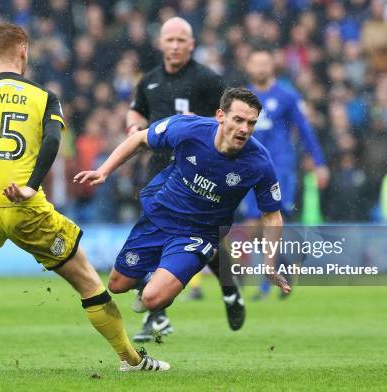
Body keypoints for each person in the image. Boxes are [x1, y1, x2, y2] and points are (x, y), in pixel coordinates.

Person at [0, 23, 168, 373]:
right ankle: (131, 360)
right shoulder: (44, 96)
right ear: (24, 52)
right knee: (87, 280)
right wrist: (30, 184)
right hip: (25, 207)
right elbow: (53, 141)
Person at [75, 87, 291, 329]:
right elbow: (139, 139)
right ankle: (166, 278)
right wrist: (103, 171)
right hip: (160, 215)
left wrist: (270, 265)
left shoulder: (259, 162)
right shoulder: (189, 129)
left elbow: (272, 216)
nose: (244, 129)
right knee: (117, 284)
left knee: (151, 299)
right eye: (238, 120)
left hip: (199, 233)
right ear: (221, 115)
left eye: (251, 123)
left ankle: (187, 270)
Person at [125, 16, 244, 342]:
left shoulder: (207, 80)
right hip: (161, 169)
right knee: (151, 236)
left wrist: (201, 122)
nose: (175, 46)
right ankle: (157, 316)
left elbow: (232, 118)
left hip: (201, 170)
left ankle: (229, 289)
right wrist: (134, 125)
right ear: (160, 43)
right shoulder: (148, 81)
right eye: (170, 40)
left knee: (206, 239)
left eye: (181, 41)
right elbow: (137, 111)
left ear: (191, 45)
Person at [240, 47, 329, 299]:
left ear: (272, 66)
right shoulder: (242, 98)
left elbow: (304, 129)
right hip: (249, 169)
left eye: (264, 63)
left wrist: (319, 162)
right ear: (248, 67)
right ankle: (285, 266)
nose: (259, 68)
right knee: (252, 228)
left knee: (273, 222)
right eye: (255, 63)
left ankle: (267, 283)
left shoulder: (287, 96)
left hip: (279, 168)